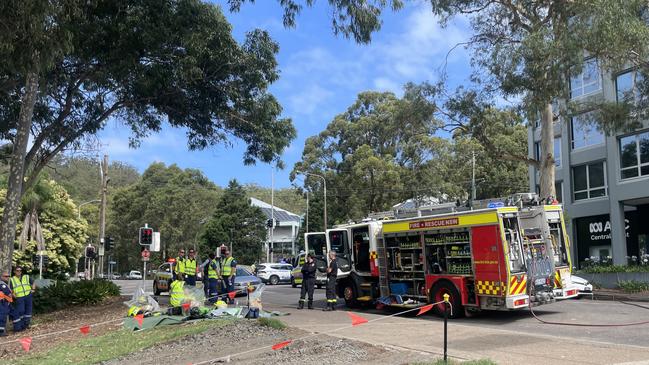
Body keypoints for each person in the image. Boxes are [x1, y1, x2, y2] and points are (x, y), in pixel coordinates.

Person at [10, 266, 35, 331]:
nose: (19, 272)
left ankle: (26, 325)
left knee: (28, 311)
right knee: (21, 311)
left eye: (20, 270)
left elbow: (33, 282)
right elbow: (10, 289)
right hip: (19, 297)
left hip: (28, 296)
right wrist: (13, 295)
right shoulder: (12, 279)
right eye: (17, 270)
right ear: (14, 271)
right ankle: (21, 326)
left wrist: (33, 289)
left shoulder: (26, 277)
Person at [0, 271, 13, 336]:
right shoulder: (2, 284)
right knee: (2, 317)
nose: (7, 277)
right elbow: (9, 294)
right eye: (6, 276)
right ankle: (1, 332)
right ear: (1, 277)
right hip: (3, 303)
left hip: (4, 302)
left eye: (8, 276)